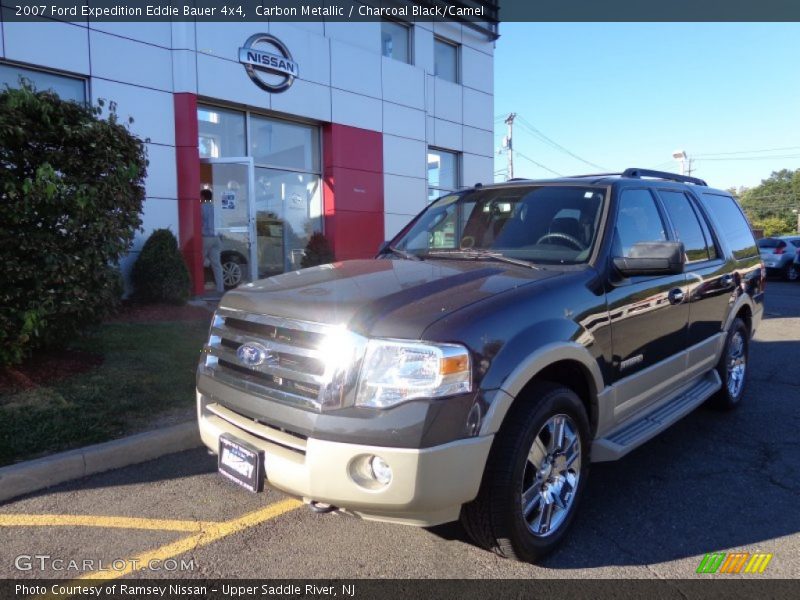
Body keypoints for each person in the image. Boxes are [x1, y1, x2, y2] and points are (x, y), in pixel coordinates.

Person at [201, 188, 224, 293]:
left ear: (203, 197)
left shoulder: (201, 208)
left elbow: (198, 222)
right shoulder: (216, 208)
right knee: (217, 265)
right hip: (216, 238)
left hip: (206, 238)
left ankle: (199, 289)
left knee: (199, 261)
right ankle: (220, 289)